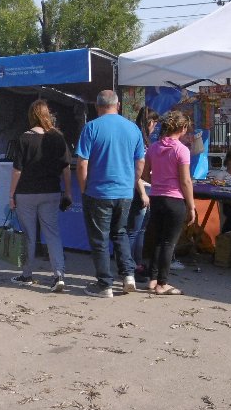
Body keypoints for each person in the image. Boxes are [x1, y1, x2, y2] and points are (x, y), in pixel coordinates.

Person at [74, 90, 146, 298]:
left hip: (98, 192)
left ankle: (105, 284)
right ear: (119, 105)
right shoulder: (133, 129)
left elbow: (82, 163)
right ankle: (128, 276)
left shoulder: (91, 127)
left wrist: (83, 187)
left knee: (100, 239)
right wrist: (131, 181)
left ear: (97, 106)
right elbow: (140, 161)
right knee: (120, 232)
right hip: (124, 192)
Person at [8, 99, 73, 292]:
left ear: (31, 116)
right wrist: (68, 191)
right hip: (51, 191)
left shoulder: (24, 138)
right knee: (52, 234)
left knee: (29, 235)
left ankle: (27, 274)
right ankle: (59, 275)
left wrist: (11, 194)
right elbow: (66, 168)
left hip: (27, 193)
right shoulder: (58, 138)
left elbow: (17, 170)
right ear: (47, 115)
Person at [140, 111, 196, 295]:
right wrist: (191, 205)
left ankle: (153, 279)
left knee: (157, 240)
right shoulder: (181, 150)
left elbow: (144, 173)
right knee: (168, 243)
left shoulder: (154, 148)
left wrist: (158, 178)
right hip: (175, 199)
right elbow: (186, 181)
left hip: (156, 197)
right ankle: (162, 284)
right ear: (182, 128)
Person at [126, 108, 160, 280]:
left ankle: (136, 264)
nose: (155, 127)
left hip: (147, 187)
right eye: (154, 123)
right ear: (149, 122)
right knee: (134, 230)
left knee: (141, 230)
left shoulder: (145, 140)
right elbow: (136, 169)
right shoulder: (139, 139)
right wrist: (142, 193)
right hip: (141, 189)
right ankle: (128, 266)